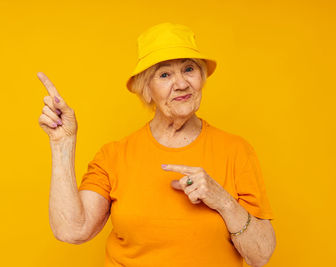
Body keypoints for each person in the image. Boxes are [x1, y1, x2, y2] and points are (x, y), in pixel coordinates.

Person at [37, 22, 276, 267]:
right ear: (146, 89)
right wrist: (62, 144)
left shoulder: (236, 151)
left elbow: (261, 255)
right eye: (164, 74)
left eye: (189, 69)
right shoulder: (114, 156)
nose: (181, 84)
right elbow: (72, 230)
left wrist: (223, 201)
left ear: (202, 78)